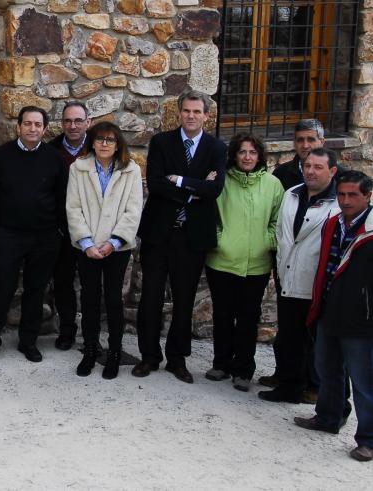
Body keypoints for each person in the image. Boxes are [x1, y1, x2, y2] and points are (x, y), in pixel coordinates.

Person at [133, 90, 227, 383]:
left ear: (206, 117)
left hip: (191, 236)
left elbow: (214, 190)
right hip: (159, 234)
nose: (191, 116)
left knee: (184, 300)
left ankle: (177, 358)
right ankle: (149, 356)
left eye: (197, 112)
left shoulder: (216, 148)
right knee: (150, 297)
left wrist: (182, 181)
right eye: (186, 111)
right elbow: (158, 184)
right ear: (179, 113)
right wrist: (195, 189)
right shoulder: (162, 142)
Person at [295, 169, 373, 463]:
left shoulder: (370, 229)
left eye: (353, 195)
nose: (346, 200)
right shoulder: (333, 224)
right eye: (341, 194)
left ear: (368, 196)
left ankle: (367, 439)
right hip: (329, 307)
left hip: (362, 316)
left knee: (364, 381)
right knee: (327, 367)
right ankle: (328, 417)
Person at [0, 106, 67, 364]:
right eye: (27, 124)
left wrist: (58, 230)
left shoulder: (54, 158)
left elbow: (62, 198)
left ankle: (28, 342)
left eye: (37, 125)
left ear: (44, 128)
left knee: (35, 291)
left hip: (44, 237)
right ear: (18, 127)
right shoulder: (2, 156)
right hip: (9, 235)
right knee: (2, 289)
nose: (32, 129)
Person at [260, 148, 340, 403]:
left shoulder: (338, 204)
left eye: (318, 167)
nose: (310, 171)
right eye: (307, 166)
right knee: (290, 336)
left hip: (317, 283)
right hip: (288, 277)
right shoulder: (291, 194)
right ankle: (289, 386)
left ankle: (317, 389)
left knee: (316, 340)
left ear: (332, 171)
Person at [203, 134, 283, 391]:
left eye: (252, 152)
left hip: (256, 263)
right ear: (234, 155)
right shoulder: (222, 181)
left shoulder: (273, 185)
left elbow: (277, 221)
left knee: (249, 317)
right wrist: (220, 239)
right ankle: (221, 364)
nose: (247, 157)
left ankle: (243, 370)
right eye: (242, 152)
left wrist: (266, 241)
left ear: (259, 156)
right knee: (223, 315)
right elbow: (209, 213)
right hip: (222, 260)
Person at [65, 121, 143, 379]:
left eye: (110, 140)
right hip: (87, 248)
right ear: (92, 142)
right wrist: (86, 243)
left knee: (113, 299)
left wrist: (114, 242)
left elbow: (133, 211)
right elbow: (73, 208)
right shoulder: (79, 168)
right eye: (100, 139)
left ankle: (115, 352)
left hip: (116, 249)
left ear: (118, 143)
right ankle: (89, 349)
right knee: (89, 299)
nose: (105, 144)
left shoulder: (130, 170)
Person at [49, 101, 92, 351]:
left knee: (90, 285)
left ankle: (90, 334)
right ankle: (67, 331)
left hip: (93, 229)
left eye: (78, 121)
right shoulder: (52, 150)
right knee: (63, 283)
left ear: (88, 122)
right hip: (63, 229)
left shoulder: (100, 147)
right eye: (67, 121)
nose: (72, 126)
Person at [272, 119, 326, 191]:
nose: (305, 146)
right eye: (300, 140)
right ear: (294, 143)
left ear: (322, 142)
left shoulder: (339, 174)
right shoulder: (281, 173)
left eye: (310, 140)